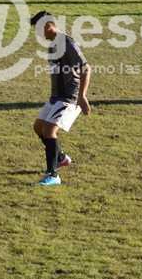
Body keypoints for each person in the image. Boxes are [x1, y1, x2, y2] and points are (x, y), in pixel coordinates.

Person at [30, 11, 92, 187]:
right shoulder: (52, 44)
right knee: (38, 127)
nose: (38, 33)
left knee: (49, 130)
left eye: (39, 29)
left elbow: (86, 68)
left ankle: (53, 175)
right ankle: (61, 157)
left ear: (48, 25)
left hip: (69, 97)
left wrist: (82, 96)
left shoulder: (67, 43)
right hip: (56, 97)